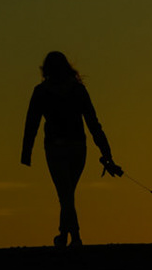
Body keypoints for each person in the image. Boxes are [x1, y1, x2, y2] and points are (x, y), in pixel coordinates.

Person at [20, 51, 122, 247]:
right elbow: (93, 123)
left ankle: (73, 236)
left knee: (65, 194)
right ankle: (66, 236)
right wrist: (106, 151)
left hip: (55, 147)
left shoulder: (41, 91)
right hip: (77, 147)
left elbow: (31, 123)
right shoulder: (78, 90)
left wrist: (26, 152)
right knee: (67, 193)